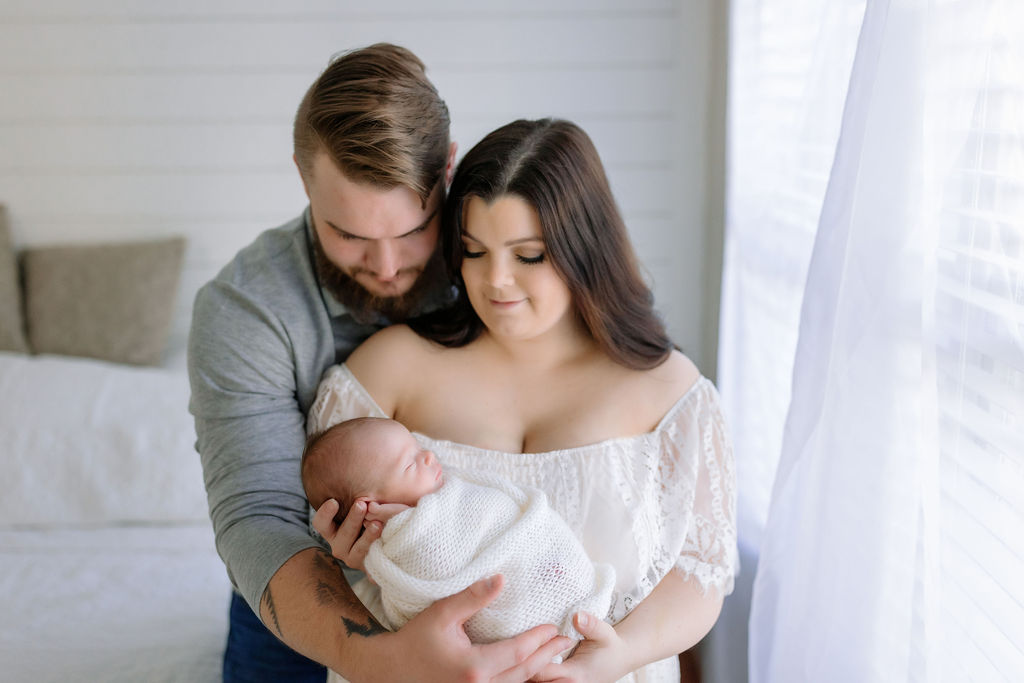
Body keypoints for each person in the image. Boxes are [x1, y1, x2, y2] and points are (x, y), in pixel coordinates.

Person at [188, 44, 571, 683]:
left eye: (413, 229)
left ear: (447, 169)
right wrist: (375, 657)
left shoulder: (505, 266)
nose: (387, 267)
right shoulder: (245, 309)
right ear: (303, 179)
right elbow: (258, 517)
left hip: (498, 590)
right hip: (304, 605)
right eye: (350, 236)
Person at [308, 117, 739, 682]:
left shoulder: (670, 393)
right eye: (473, 250)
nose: (496, 282)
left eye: (528, 255)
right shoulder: (388, 370)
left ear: (584, 249)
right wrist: (352, 559)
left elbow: (700, 573)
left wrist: (616, 656)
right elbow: (311, 553)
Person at [301, 416, 616, 643]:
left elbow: (495, 513)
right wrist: (409, 533)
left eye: (417, 447)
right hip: (519, 629)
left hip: (568, 588)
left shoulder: (453, 490)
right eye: (409, 464)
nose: (427, 456)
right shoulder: (407, 543)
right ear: (369, 506)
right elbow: (435, 574)